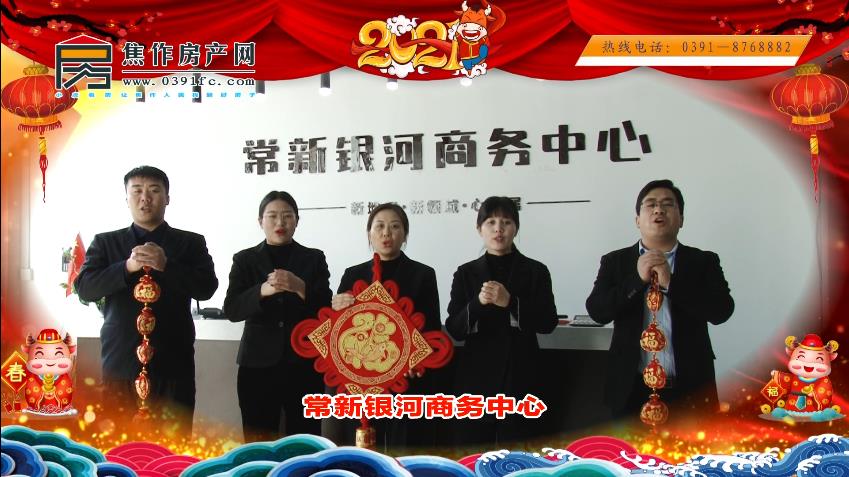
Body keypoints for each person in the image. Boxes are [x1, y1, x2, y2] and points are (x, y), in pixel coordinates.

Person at [75, 166, 218, 434]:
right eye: (137, 191)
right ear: (126, 198)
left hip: (173, 362)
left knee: (174, 443)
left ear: (167, 198)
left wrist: (167, 266)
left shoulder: (190, 243)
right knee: (119, 443)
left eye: (154, 191)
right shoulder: (106, 243)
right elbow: (85, 288)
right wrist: (126, 267)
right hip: (121, 361)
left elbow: (207, 288)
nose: (145, 198)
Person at [585, 179, 734, 420]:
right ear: (637, 220)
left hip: (690, 390)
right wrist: (636, 280)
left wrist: (671, 283)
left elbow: (721, 311)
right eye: (651, 204)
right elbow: (597, 311)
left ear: (681, 219)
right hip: (630, 389)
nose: (658, 210)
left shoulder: (704, 261)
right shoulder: (615, 261)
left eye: (667, 204)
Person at [445, 196, 558, 446]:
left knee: (519, 454)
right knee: (473, 453)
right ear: (479, 229)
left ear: (516, 228)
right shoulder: (465, 273)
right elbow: (454, 328)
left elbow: (548, 322)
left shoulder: (536, 270)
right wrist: (477, 303)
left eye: (506, 222)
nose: (499, 229)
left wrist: (511, 302)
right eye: (491, 222)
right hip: (476, 378)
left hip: (521, 374)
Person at [327, 203, 441, 449]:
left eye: (395, 227)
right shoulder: (353, 274)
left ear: (405, 234)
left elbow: (432, 329)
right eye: (379, 226)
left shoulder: (423, 274)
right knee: (364, 450)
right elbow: (338, 331)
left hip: (407, 378)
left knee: (404, 446)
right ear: (369, 234)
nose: (386, 233)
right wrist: (336, 307)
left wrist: (415, 360)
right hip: (363, 377)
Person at [223, 191, 331, 442]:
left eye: (287, 216)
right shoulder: (245, 259)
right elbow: (232, 309)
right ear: (260, 221)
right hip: (257, 365)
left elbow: (327, 312)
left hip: (305, 364)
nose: (280, 223)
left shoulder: (314, 258)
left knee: (306, 439)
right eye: (272, 216)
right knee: (257, 439)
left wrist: (300, 287)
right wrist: (262, 290)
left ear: (297, 220)